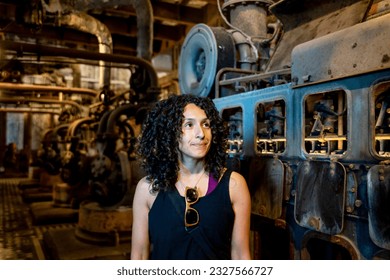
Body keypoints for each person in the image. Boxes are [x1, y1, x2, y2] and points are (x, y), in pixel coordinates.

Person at [131, 94, 251, 260]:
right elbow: (139, 255)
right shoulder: (147, 189)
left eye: (206, 124)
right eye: (189, 125)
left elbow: (240, 256)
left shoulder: (234, 185)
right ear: (170, 132)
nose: (201, 134)